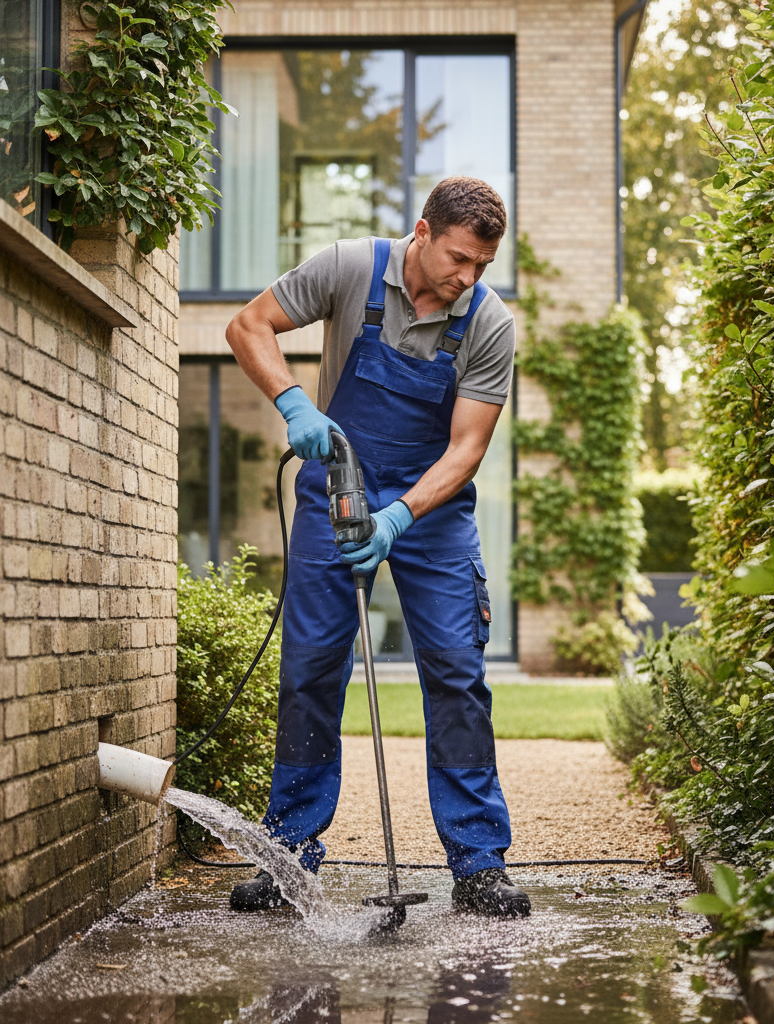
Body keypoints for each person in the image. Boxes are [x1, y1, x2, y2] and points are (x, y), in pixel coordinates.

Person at [222, 176, 529, 918]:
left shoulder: (488, 322)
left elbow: (466, 451)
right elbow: (248, 326)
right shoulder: (350, 268)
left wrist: (397, 519)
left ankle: (479, 860)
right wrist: (292, 401)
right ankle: (290, 856)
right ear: (422, 233)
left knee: (457, 670)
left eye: (483, 266)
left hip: (434, 507)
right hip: (339, 487)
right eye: (459, 258)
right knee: (310, 669)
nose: (468, 278)